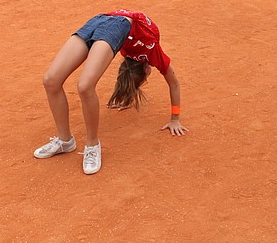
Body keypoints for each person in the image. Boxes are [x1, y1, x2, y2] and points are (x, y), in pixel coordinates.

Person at [34, 9, 187, 175]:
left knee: (83, 86)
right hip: (111, 22)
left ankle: (92, 145)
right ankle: (65, 141)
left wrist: (127, 96)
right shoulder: (152, 51)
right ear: (145, 69)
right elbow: (174, 84)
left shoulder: (131, 50)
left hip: (101, 20)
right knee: (51, 81)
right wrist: (175, 119)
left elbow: (125, 70)